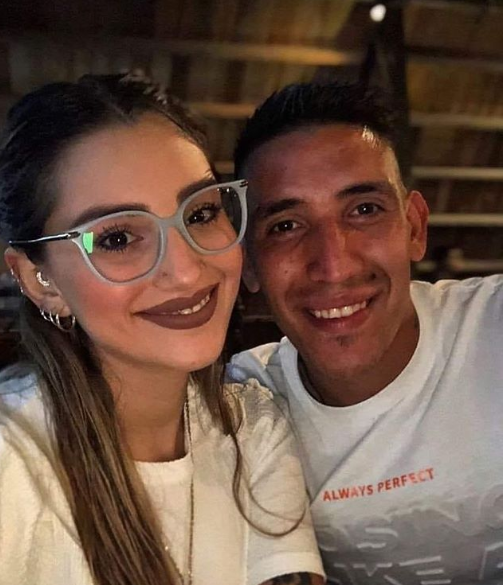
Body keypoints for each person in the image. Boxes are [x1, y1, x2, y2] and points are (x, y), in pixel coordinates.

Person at [0, 73, 325, 585]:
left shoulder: (251, 427)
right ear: (41, 281)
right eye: (117, 238)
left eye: (200, 213)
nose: (188, 271)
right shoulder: (12, 462)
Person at [228, 81, 503, 584]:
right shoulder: (249, 402)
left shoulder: (494, 328)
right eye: (286, 225)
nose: (333, 266)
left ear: (415, 226)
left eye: (364, 210)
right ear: (248, 264)